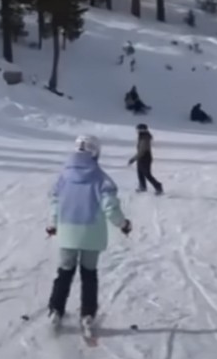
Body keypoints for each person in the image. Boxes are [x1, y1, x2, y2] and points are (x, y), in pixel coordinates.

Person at [46, 134, 132, 329]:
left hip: (68, 232)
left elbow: (55, 202)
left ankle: (56, 310)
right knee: (89, 273)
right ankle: (87, 314)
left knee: (65, 272)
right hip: (91, 235)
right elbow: (110, 206)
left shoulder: (63, 177)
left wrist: (53, 224)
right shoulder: (100, 178)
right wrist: (123, 224)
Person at [128, 123, 164, 194]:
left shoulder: (145, 138)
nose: (137, 131)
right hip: (142, 157)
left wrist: (133, 159)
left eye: (138, 129)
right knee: (140, 172)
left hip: (145, 157)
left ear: (142, 130)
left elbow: (142, 150)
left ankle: (158, 186)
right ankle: (142, 186)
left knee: (147, 174)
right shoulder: (142, 137)